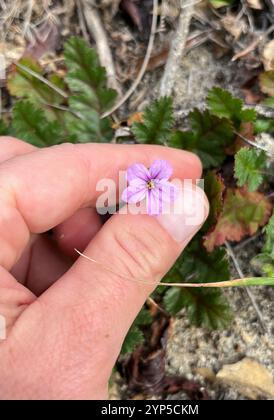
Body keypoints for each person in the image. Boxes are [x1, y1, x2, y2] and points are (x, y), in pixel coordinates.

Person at [0, 137, 209, 400]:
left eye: (153, 182)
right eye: (149, 182)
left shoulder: (153, 182)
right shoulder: (147, 183)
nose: (152, 183)